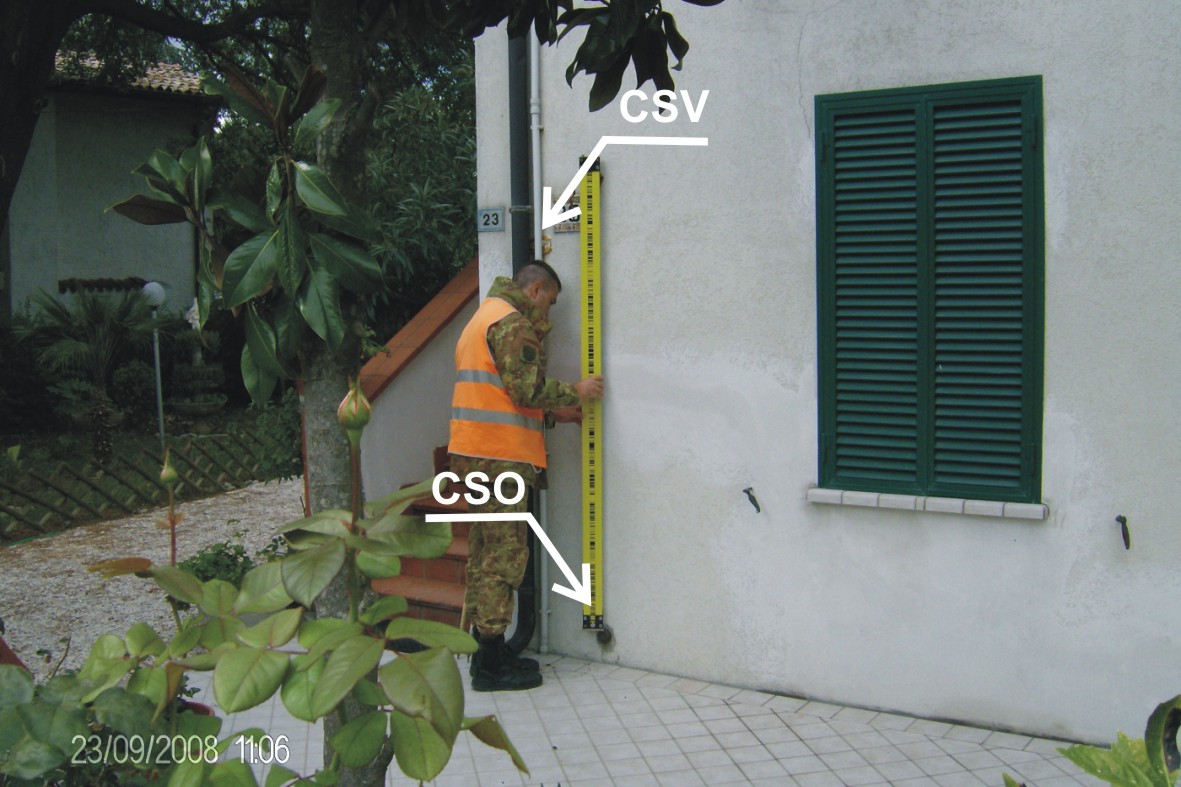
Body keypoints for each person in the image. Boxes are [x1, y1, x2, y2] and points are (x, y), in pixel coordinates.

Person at [448, 261, 604, 692]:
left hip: (474, 453)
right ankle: (491, 665)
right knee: (504, 558)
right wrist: (576, 391)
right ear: (535, 290)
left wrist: (555, 416)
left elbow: (499, 399)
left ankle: (486, 653)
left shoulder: (482, 318)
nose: (548, 313)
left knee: (485, 553)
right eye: (549, 302)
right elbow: (525, 390)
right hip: (499, 460)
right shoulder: (512, 324)